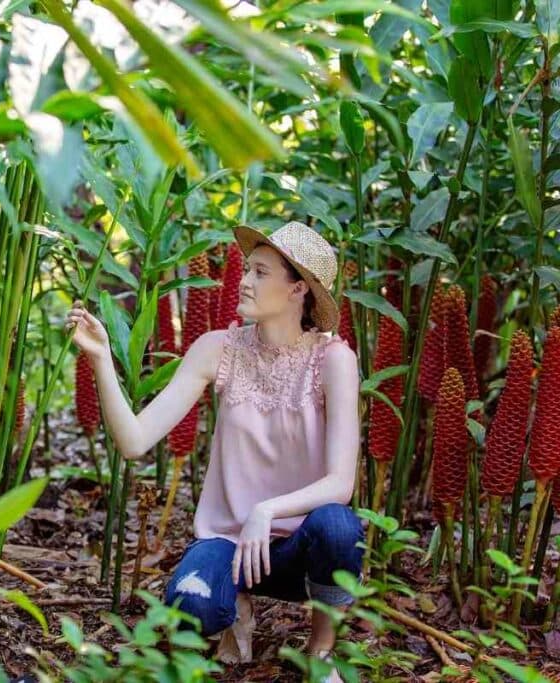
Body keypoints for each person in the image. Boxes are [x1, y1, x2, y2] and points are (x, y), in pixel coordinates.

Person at [65, 221, 363, 681]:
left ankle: (320, 650)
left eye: (261, 273)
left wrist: (266, 511)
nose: (244, 281)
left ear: (297, 288)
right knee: (188, 606)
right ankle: (233, 608)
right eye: (248, 269)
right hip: (229, 544)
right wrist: (101, 359)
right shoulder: (216, 349)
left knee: (339, 528)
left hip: (298, 551)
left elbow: (341, 484)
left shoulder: (334, 360)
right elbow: (134, 441)